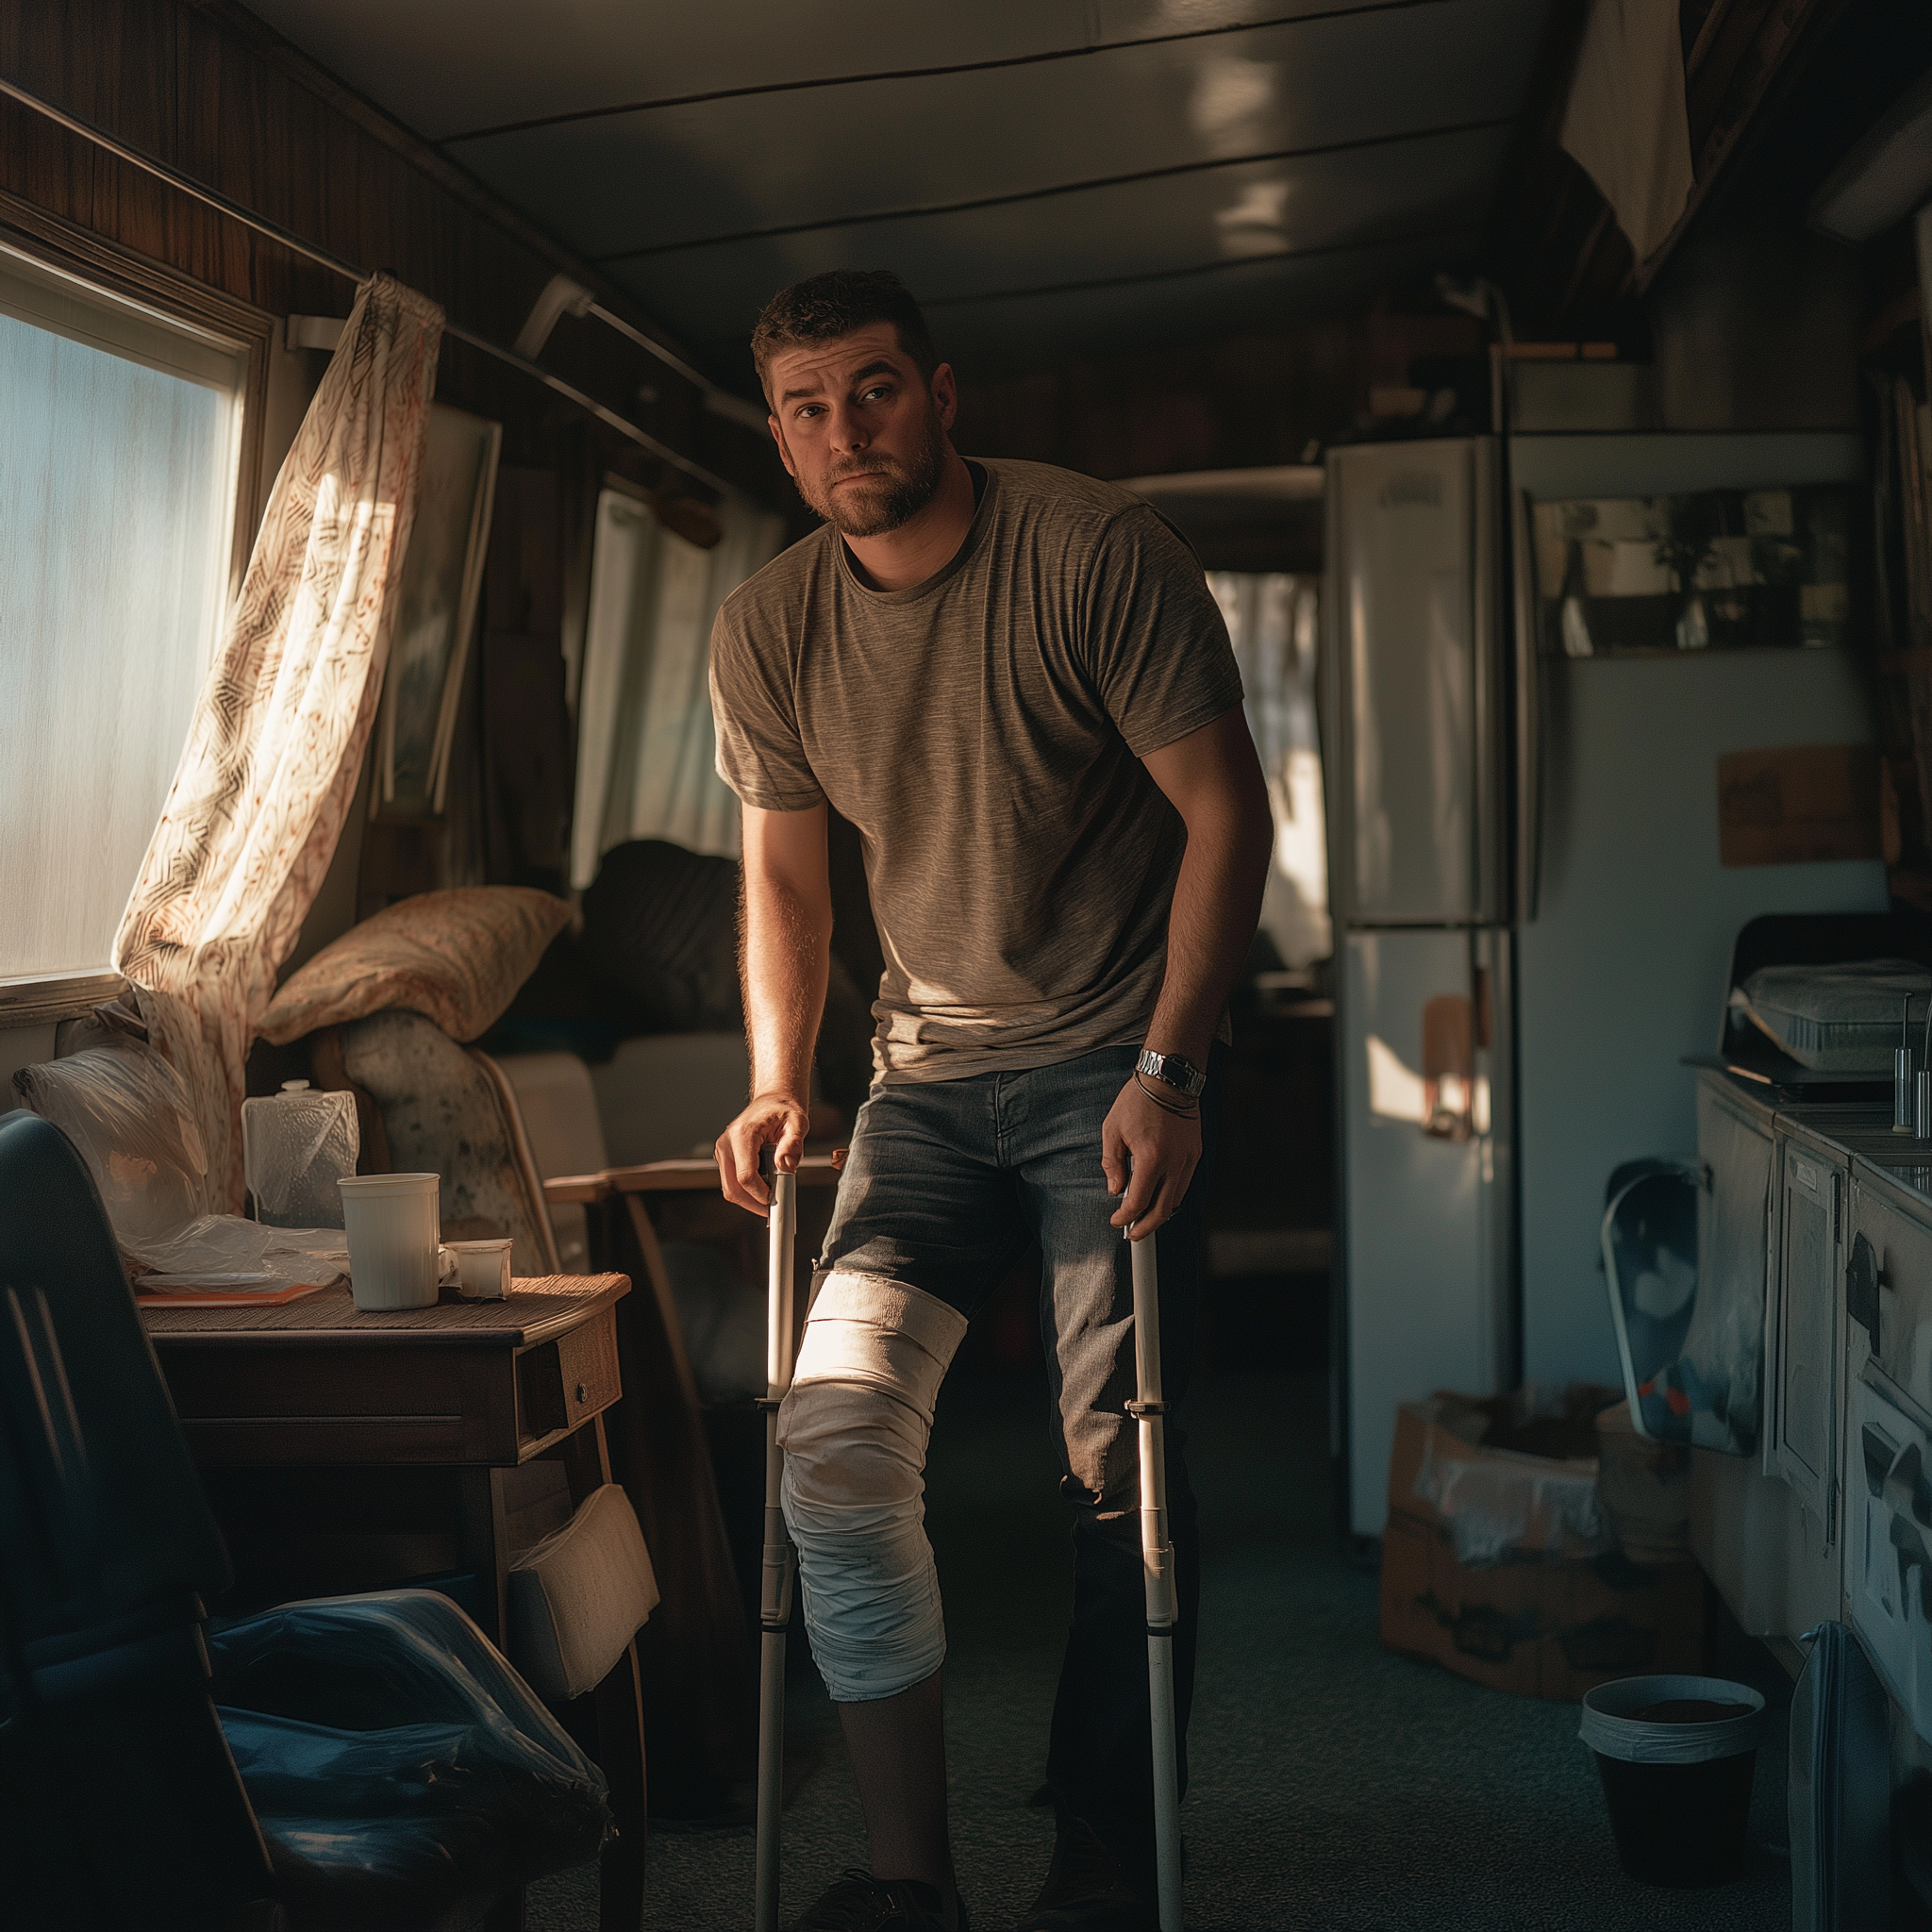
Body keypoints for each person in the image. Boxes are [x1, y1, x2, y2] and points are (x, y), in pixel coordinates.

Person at [709, 268, 1273, 1932]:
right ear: (781, 440)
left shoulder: (1093, 552)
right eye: (809, 408)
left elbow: (1229, 819)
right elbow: (789, 890)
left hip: (1115, 1066)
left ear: (942, 394)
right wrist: (775, 1079)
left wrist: (1171, 1069)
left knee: (1124, 1478)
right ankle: (913, 1884)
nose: (844, 431)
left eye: (872, 390)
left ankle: (1105, 1849)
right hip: (926, 1091)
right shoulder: (770, 625)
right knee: (833, 1446)